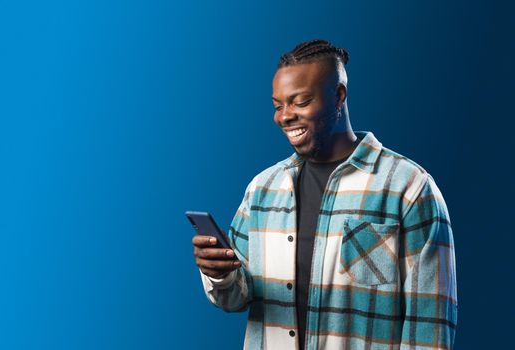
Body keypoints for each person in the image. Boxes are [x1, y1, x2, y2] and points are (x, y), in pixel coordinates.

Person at [192, 39, 458, 350]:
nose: (284, 116)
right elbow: (235, 298)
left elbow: (431, 325)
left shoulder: (408, 188)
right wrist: (219, 274)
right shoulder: (262, 189)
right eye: (278, 105)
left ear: (339, 96)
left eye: (300, 102)